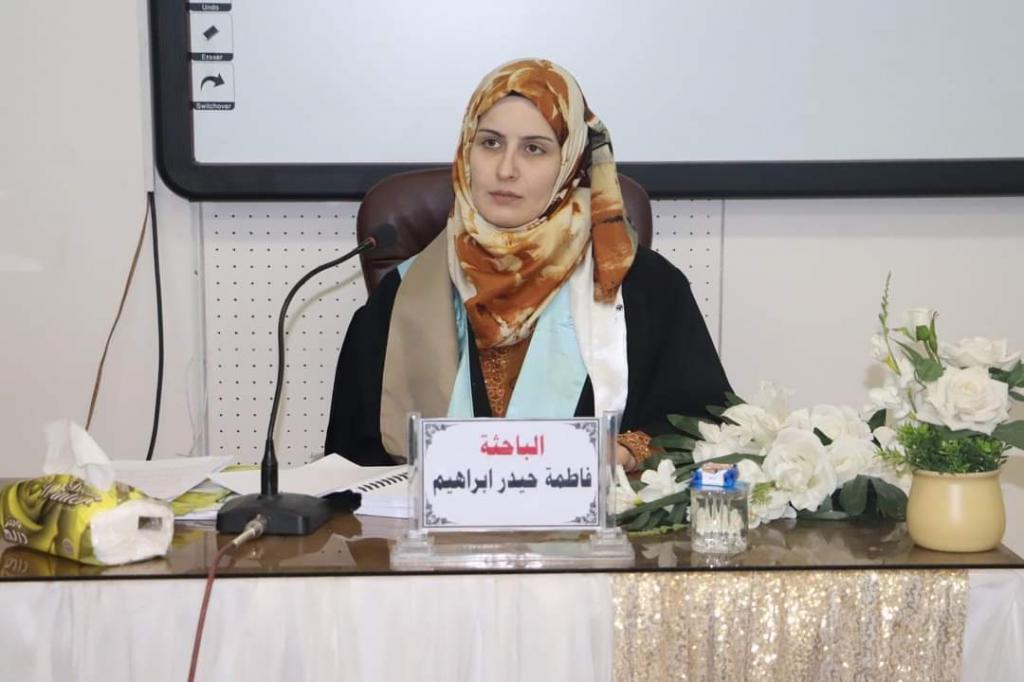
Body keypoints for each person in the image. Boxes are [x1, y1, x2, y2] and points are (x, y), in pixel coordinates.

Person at [325, 58, 730, 471]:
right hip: (429, 513)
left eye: (534, 149)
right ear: (466, 153)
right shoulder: (404, 294)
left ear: (571, 163)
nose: (506, 169)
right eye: (490, 143)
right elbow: (349, 464)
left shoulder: (641, 285)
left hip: (597, 511)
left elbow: (704, 425)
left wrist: (627, 451)